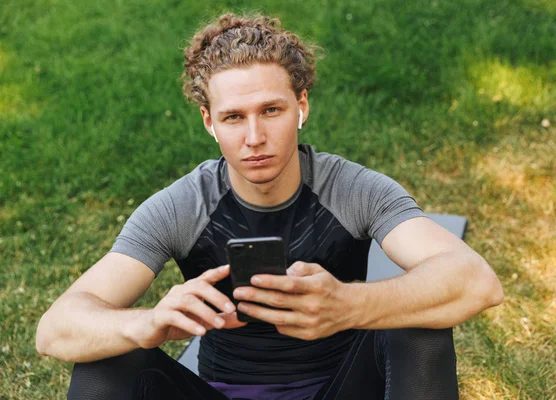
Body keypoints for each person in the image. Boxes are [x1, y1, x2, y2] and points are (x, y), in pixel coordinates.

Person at [35, 12, 504, 400]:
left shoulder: (353, 189)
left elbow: (476, 282)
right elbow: (55, 330)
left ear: (301, 106)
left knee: (417, 328)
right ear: (209, 122)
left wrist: (348, 305)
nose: (254, 137)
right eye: (234, 118)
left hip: (340, 389)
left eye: (271, 111)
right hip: (219, 391)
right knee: (106, 364)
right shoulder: (182, 206)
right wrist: (151, 322)